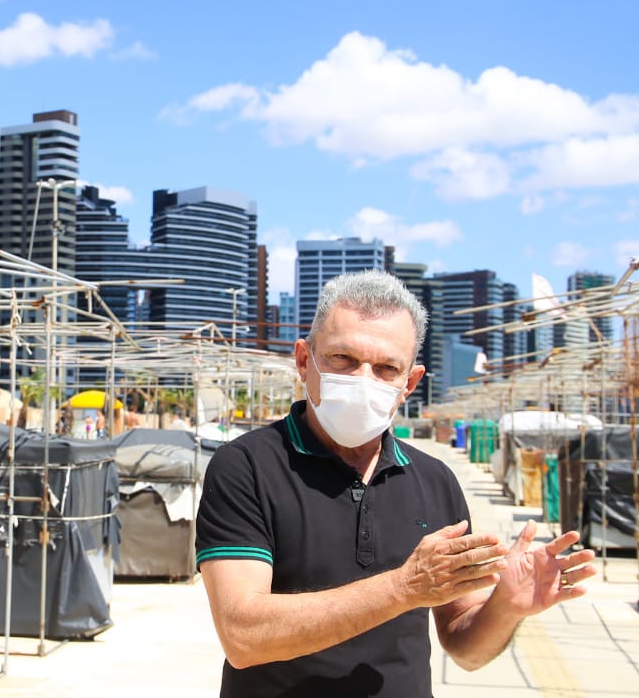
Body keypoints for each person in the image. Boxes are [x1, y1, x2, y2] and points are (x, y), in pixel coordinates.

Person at [195, 270, 595, 697]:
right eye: (342, 359)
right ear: (302, 360)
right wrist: (404, 587)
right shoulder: (246, 466)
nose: (363, 380)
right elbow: (244, 636)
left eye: (387, 368)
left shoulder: (435, 480)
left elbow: (465, 647)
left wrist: (506, 606)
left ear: (410, 382)